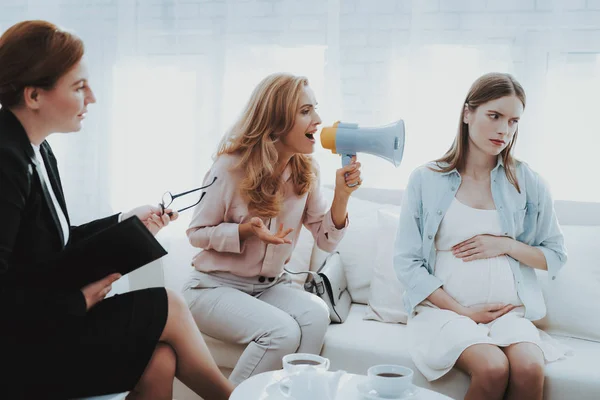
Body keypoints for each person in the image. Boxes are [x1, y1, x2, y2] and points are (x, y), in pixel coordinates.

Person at [0, 20, 233, 399]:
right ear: (34, 96)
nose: (91, 97)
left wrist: (127, 224)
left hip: (47, 324)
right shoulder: (5, 161)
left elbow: (55, 242)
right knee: (168, 304)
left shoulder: (38, 148)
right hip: (20, 349)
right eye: (78, 87)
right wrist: (77, 300)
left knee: (161, 361)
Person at [394, 72, 569, 400]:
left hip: (509, 314)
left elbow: (556, 255)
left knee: (530, 369)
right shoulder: (426, 179)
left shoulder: (527, 182)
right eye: (495, 116)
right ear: (467, 113)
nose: (504, 130)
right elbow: (407, 263)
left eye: (513, 121)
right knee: (492, 368)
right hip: (445, 313)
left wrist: (506, 245)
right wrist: (464, 312)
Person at [182, 72, 362, 385]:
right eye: (305, 112)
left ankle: (296, 394)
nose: (318, 120)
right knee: (282, 332)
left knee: (316, 313)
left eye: (315, 109)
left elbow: (326, 239)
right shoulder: (230, 167)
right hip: (211, 288)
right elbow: (196, 233)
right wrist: (243, 232)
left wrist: (342, 197)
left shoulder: (306, 171)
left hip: (267, 287)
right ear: (276, 122)